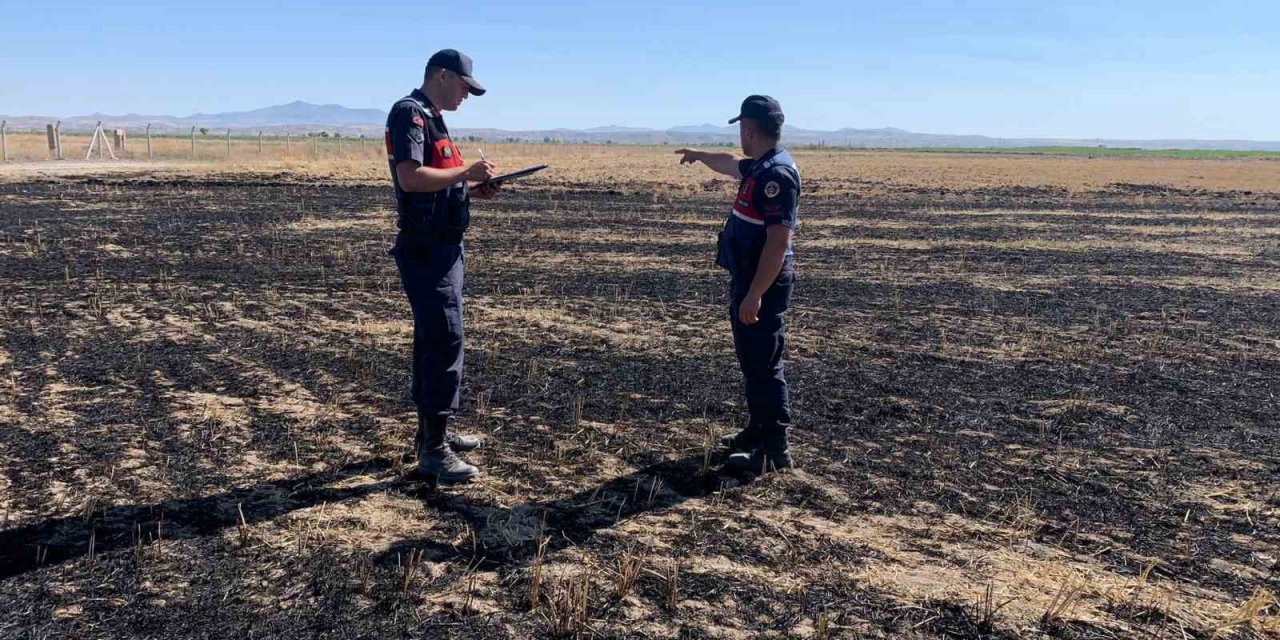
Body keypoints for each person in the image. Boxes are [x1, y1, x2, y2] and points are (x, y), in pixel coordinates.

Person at [385, 48, 500, 483]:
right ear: (442, 76)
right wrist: (464, 175)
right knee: (443, 340)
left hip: (444, 247)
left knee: (438, 339)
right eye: (465, 88)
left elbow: (437, 184)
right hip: (426, 249)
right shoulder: (410, 114)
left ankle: (435, 434)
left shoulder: (433, 117)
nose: (467, 97)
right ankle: (433, 450)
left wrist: (470, 190)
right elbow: (410, 179)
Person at [675, 95, 800, 473]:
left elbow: (779, 242)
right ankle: (757, 430)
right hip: (749, 280)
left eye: (740, 130)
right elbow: (730, 164)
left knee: (764, 364)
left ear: (747, 129)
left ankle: (774, 449)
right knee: (753, 361)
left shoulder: (776, 175)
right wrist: (699, 154)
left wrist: (755, 295)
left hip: (762, 285)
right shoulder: (762, 165)